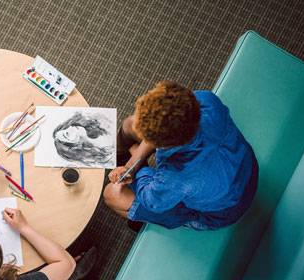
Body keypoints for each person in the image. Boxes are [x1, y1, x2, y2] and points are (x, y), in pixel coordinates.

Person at [103, 81, 258, 230]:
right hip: (247, 170)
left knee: (111, 194)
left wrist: (137, 168)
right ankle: (123, 155)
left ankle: (142, 220)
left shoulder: (174, 177)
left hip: (222, 211)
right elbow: (172, 126)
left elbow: (152, 201)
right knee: (130, 124)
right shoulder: (206, 101)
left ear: (162, 145)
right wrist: (130, 165)